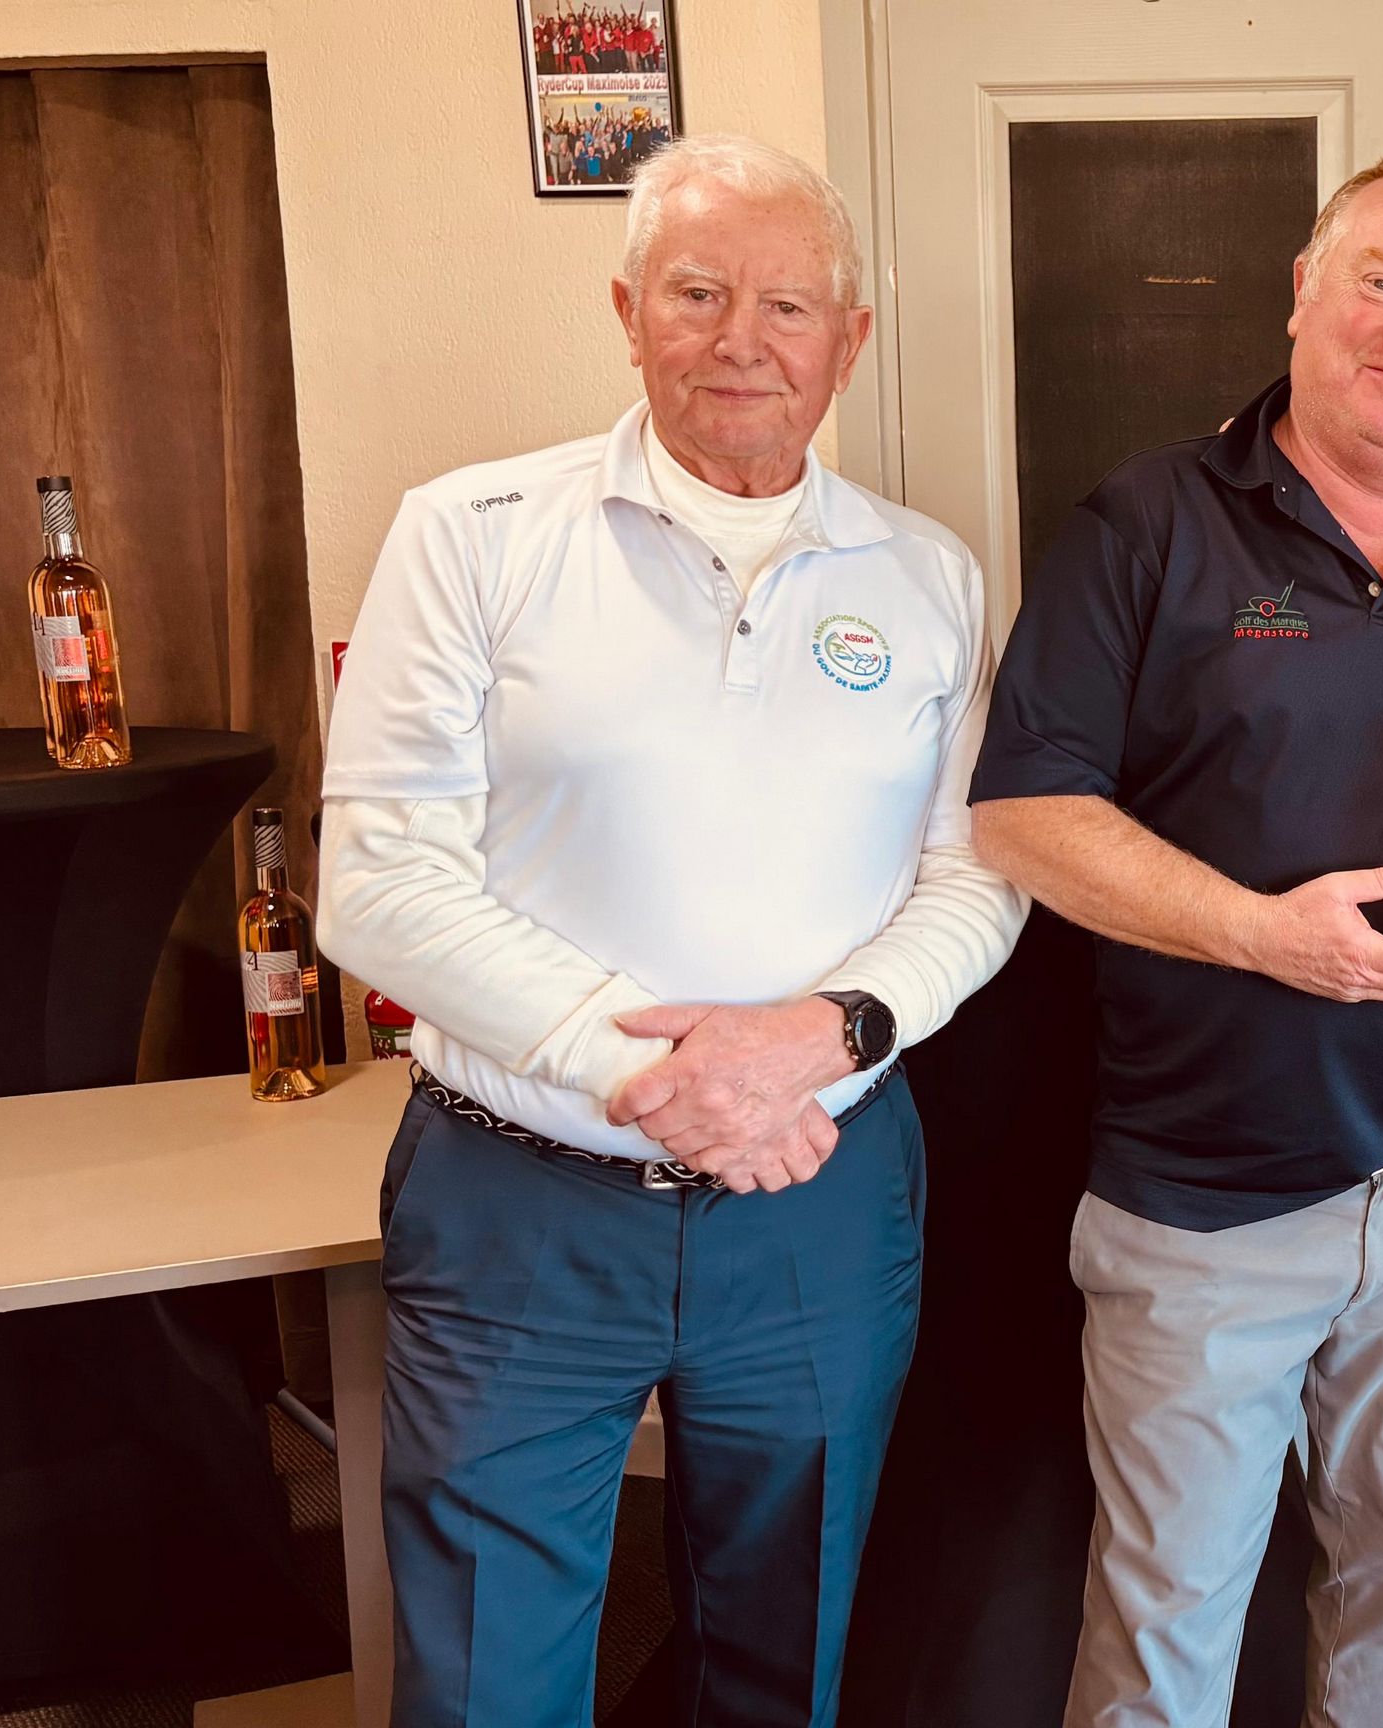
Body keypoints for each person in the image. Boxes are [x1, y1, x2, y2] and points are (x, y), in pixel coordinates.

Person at [318, 134, 1024, 1726]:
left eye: (789, 306)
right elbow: (378, 881)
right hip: (522, 1206)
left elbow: (975, 876)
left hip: (821, 1204)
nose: (741, 341)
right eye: (698, 294)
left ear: (849, 340)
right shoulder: (472, 532)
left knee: (786, 1646)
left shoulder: (927, 576)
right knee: (486, 1676)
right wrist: (656, 1073)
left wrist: (822, 1037)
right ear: (628, 310)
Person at [971, 153, 1383, 1728]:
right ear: (1303, 292)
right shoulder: (1148, 523)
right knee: (1165, 1630)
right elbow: (1021, 818)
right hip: (1202, 1196)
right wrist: (1261, 937)